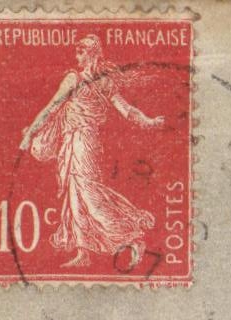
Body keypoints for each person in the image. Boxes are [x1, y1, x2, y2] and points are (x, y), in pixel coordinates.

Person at [19, 34, 164, 270]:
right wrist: (30, 132)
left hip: (84, 141)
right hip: (73, 140)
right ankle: (83, 251)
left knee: (86, 191)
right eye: (77, 51)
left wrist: (148, 121)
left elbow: (125, 109)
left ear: (92, 53)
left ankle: (131, 237)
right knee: (74, 194)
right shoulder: (78, 79)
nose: (77, 55)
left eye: (81, 51)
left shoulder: (91, 81)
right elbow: (52, 108)